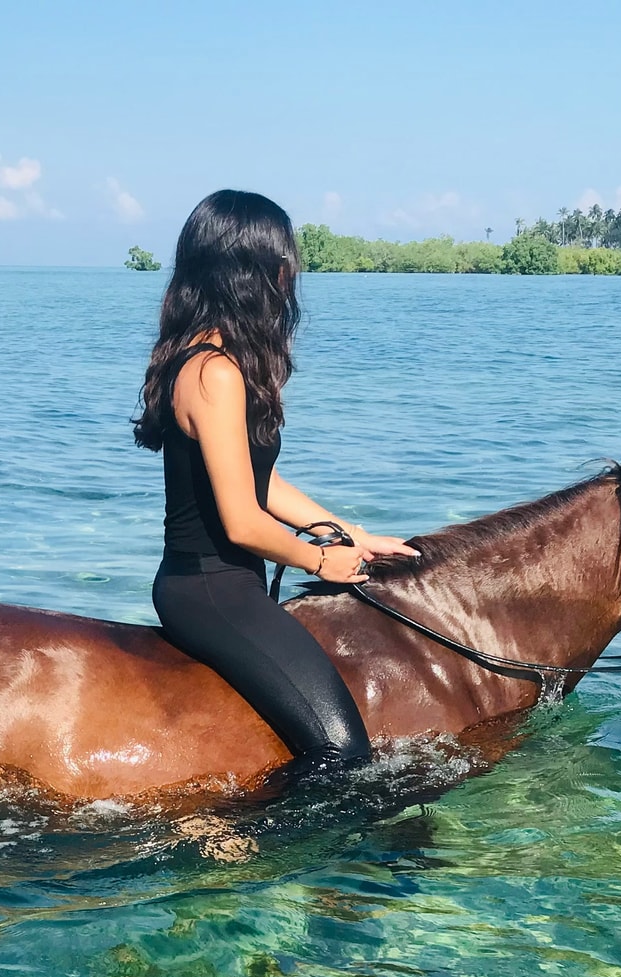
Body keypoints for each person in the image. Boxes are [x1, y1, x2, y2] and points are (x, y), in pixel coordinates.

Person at [133, 190, 418, 776]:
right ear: (250, 272)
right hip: (209, 588)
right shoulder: (215, 372)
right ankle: (239, 844)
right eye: (284, 260)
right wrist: (320, 563)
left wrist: (352, 535)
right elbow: (241, 520)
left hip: (224, 583)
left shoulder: (210, 358)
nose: (293, 273)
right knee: (343, 752)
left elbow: (260, 483)